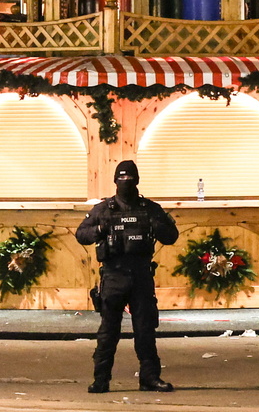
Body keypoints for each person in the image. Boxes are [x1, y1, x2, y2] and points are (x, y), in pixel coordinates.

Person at [76, 161, 178, 394]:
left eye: (129, 179)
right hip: (114, 276)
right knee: (108, 333)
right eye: (122, 179)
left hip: (141, 276)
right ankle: (101, 379)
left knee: (145, 331)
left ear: (137, 181)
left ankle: (149, 378)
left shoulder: (149, 208)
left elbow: (171, 236)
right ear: (115, 181)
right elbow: (81, 235)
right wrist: (100, 230)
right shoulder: (104, 209)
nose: (125, 183)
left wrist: (156, 225)